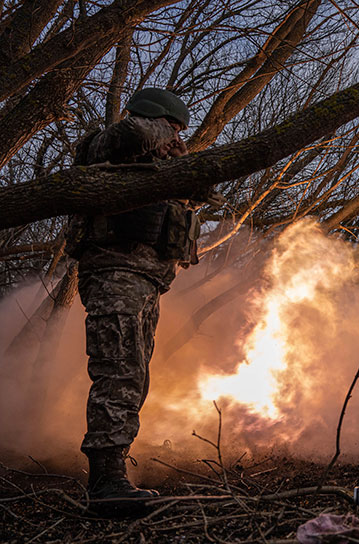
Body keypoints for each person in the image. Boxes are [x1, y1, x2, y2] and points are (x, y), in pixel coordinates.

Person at [67, 88, 211, 513]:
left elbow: (200, 191)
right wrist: (157, 131)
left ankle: (113, 473)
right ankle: (105, 482)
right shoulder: (110, 143)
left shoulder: (156, 164)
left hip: (146, 281)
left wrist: (177, 159)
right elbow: (130, 133)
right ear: (155, 119)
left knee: (134, 375)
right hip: (116, 274)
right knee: (119, 372)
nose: (176, 137)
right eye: (173, 128)